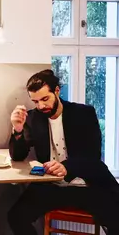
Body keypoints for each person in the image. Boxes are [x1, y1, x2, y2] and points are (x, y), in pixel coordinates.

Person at [7, 69, 119, 235]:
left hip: (88, 185)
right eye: (35, 101)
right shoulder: (33, 118)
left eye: (45, 99)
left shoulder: (84, 113)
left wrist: (67, 167)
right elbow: (18, 156)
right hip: (52, 186)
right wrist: (17, 129)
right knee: (16, 217)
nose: (41, 106)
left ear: (57, 91)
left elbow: (93, 157)